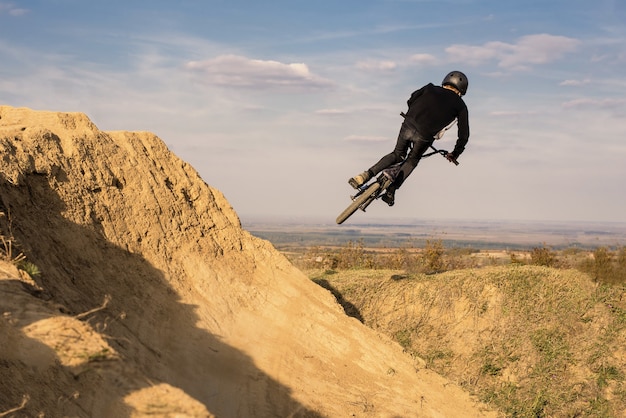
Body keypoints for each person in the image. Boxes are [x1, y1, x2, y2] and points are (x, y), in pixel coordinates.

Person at [348, 71, 470, 206]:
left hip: (408, 124)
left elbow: (411, 98)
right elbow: (464, 135)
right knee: (412, 161)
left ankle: (364, 176)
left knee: (397, 154)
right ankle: (391, 191)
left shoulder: (429, 88)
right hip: (425, 135)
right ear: (461, 90)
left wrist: (413, 114)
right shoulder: (461, 106)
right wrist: (455, 153)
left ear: (445, 81)